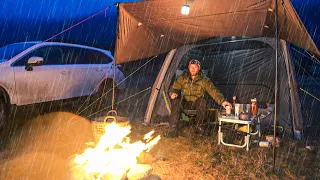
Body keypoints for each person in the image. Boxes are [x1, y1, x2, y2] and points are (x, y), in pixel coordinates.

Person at [166, 59, 232, 137]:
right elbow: (174, 88)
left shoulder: (204, 80)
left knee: (202, 101)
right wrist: (172, 93)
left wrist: (222, 101)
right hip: (185, 103)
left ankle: (199, 126)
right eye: (191, 67)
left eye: (195, 67)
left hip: (196, 103)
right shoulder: (182, 78)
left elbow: (213, 91)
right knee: (176, 101)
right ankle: (173, 129)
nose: (193, 69)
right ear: (188, 67)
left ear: (199, 68)